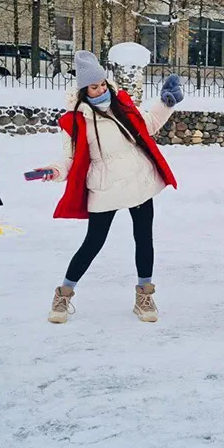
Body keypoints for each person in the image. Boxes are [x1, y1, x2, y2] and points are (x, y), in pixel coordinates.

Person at [40, 51, 183, 324]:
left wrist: (166, 103)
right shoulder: (75, 121)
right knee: (93, 242)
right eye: (94, 86)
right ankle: (64, 293)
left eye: (103, 83)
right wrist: (54, 170)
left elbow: (149, 124)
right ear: (84, 90)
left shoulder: (123, 106)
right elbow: (68, 159)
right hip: (105, 186)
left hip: (138, 179)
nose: (101, 89)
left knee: (144, 237)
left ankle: (144, 294)